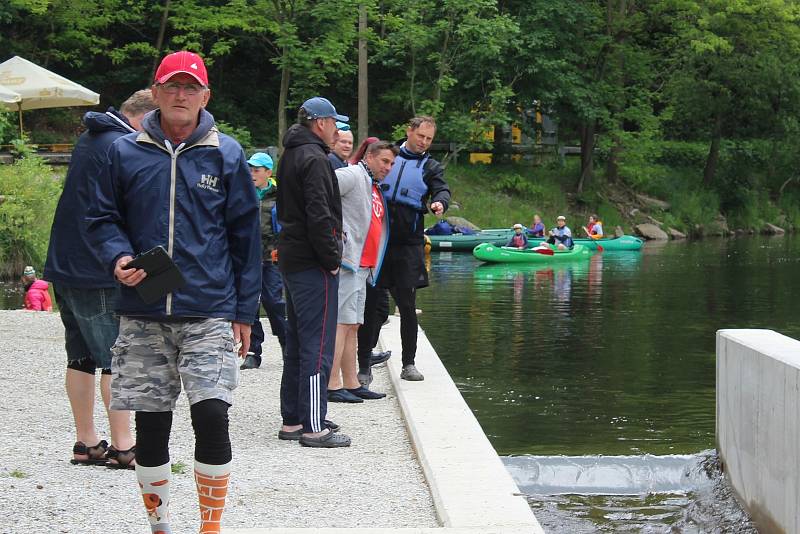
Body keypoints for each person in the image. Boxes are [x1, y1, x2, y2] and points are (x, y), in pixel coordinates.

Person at [86, 51, 261, 534]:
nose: (181, 95)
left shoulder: (226, 153)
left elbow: (246, 239)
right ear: (156, 93)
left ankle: (210, 527)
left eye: (191, 87)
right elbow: (102, 218)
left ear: (205, 96)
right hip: (143, 309)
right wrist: (118, 256)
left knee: (211, 415)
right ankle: (159, 526)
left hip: (208, 309)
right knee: (152, 424)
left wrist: (246, 311)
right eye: (172, 86)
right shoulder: (124, 151)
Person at [44, 89, 156, 469]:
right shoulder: (122, 145)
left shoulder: (90, 138)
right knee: (114, 357)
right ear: (142, 117)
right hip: (97, 266)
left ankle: (86, 441)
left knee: (79, 356)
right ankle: (124, 446)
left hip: (64, 263)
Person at [276, 96, 351, 448]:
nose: (337, 129)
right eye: (334, 122)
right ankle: (313, 425)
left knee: (296, 340)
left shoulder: (290, 152)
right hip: (312, 261)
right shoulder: (315, 158)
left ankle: (292, 418)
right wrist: (332, 257)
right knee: (317, 343)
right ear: (320, 123)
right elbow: (320, 214)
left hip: (291, 257)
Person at [377, 116, 450, 381]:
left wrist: (440, 203)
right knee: (372, 304)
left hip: (408, 243)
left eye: (429, 139)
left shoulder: (430, 166)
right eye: (421, 136)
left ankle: (409, 363)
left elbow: (442, 190)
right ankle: (363, 362)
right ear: (409, 131)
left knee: (407, 305)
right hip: (380, 239)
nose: (424, 142)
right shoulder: (387, 156)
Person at [328, 141, 397, 403]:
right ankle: (332, 384)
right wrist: (337, 233)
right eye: (384, 161)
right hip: (348, 261)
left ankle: (352, 381)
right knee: (341, 323)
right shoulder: (353, 174)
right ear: (369, 157)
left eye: (391, 163)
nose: (388, 168)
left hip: (365, 265)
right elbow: (321, 185)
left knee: (354, 324)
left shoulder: (373, 184)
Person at [241, 152, 288, 371]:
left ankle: (287, 344)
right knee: (250, 306)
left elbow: (288, 226)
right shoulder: (242, 192)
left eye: (256, 170)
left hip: (272, 259)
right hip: (247, 259)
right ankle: (253, 351)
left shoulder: (281, 195)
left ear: (268, 172)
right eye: (250, 169)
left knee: (274, 302)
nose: (252, 174)